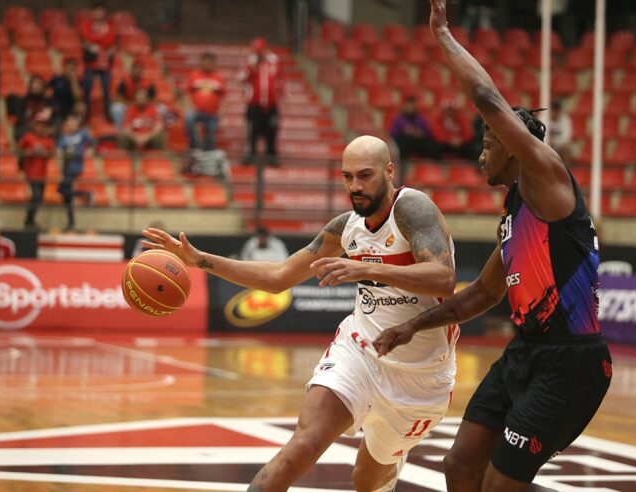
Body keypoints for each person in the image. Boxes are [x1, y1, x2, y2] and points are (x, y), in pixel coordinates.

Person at [373, 2, 612, 491]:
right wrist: (412, 326)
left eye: (489, 141)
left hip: (570, 362)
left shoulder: (545, 176)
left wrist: (442, 35)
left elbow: (485, 95)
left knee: (502, 484)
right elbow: (481, 296)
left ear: (512, 142)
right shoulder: (514, 217)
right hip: (525, 352)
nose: (481, 153)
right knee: (460, 465)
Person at [142, 135, 458, 492]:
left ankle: (388, 459)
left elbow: (444, 279)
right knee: (304, 444)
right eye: (347, 177)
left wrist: (366, 269)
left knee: (367, 480)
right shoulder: (346, 227)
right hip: (360, 351)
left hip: (421, 375)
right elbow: (279, 277)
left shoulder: (412, 207)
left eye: (365, 175)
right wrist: (199, 260)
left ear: (389, 171)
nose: (355, 186)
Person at [240, 37, 282, 165]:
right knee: (253, 129)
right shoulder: (250, 61)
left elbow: (280, 79)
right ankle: (251, 155)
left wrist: (281, 95)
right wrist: (251, 67)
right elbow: (241, 77)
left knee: (272, 130)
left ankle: (271, 156)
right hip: (254, 104)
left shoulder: (274, 61)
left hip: (271, 104)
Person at [57, 114, 95, 230]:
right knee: (65, 195)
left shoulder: (82, 134)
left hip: (75, 166)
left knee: (63, 190)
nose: (71, 126)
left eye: (73, 123)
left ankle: (85, 195)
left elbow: (93, 142)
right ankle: (71, 222)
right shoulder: (63, 137)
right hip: (66, 167)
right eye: (69, 123)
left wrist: (89, 151)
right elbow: (59, 150)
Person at [79, 2, 116, 121]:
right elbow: (86, 37)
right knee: (88, 87)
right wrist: (101, 40)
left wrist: (95, 41)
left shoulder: (109, 25)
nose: (99, 14)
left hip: (105, 63)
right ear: (92, 12)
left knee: (106, 88)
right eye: (96, 11)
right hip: (91, 63)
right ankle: (87, 113)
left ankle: (107, 113)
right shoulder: (86, 25)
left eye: (101, 11)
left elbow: (110, 40)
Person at [19, 109, 55, 229]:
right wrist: (29, 152)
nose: (41, 127)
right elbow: (19, 151)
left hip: (42, 173)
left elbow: (51, 154)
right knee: (36, 196)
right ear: (34, 125)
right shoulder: (28, 137)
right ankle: (29, 220)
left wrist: (43, 153)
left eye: (43, 125)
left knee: (39, 198)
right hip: (31, 173)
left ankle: (30, 220)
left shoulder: (47, 140)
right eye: (39, 124)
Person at [185, 52, 225, 151]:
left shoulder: (218, 77)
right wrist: (190, 106)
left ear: (213, 63)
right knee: (189, 118)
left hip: (212, 113)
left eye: (209, 62)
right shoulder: (194, 75)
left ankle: (209, 152)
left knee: (211, 134)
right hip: (197, 111)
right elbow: (187, 93)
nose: (207, 64)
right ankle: (195, 145)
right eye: (205, 62)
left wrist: (222, 110)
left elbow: (223, 96)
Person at [389, 94, 441, 161]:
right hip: (405, 143)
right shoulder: (398, 119)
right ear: (405, 106)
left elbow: (428, 134)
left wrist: (420, 133)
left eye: (413, 105)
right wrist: (405, 132)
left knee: (434, 147)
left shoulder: (421, 119)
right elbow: (393, 134)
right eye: (409, 105)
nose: (411, 108)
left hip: (418, 142)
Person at [110, 60, 157, 130]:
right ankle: (121, 132)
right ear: (132, 69)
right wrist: (130, 104)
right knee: (116, 108)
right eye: (137, 68)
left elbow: (154, 99)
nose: (138, 71)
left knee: (162, 109)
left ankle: (152, 132)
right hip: (128, 105)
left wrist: (145, 104)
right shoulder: (125, 81)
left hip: (144, 107)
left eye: (141, 69)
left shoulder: (148, 82)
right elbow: (118, 98)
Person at [47, 57, 83, 127]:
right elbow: (47, 91)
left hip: (70, 108)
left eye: (72, 70)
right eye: (68, 69)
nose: (69, 71)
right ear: (64, 68)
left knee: (81, 107)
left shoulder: (78, 82)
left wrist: (73, 81)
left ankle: (78, 127)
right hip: (56, 107)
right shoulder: (57, 79)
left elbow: (78, 98)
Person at [14, 75, 51, 141]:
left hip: (43, 130)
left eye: (39, 84)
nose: (37, 86)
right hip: (28, 130)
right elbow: (21, 120)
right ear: (30, 86)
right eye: (34, 83)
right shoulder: (23, 102)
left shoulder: (48, 103)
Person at [548, 98, 573, 165]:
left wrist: (554, 141)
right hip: (548, 146)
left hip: (560, 147)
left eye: (557, 109)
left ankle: (566, 171)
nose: (555, 112)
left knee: (566, 147)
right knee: (547, 145)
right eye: (553, 109)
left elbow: (566, 138)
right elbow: (543, 138)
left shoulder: (565, 119)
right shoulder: (544, 118)